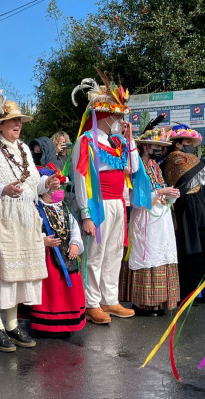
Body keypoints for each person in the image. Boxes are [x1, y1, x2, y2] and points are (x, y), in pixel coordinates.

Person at [0, 83, 58, 352]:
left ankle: (12, 325)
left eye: (19, 120)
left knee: (17, 275)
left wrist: (48, 184)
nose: (17, 124)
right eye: (12, 120)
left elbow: (32, 185)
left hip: (22, 219)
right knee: (0, 275)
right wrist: (2, 189)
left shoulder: (22, 149)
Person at [69, 75, 153, 324]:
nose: (121, 121)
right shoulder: (86, 141)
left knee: (115, 252)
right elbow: (81, 177)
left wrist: (129, 139)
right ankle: (91, 302)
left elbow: (135, 167)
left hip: (119, 202)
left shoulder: (118, 142)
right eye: (118, 117)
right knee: (96, 253)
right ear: (104, 117)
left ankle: (109, 298)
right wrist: (86, 214)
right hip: (99, 204)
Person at [163, 125, 205, 302]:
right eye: (187, 142)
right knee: (191, 246)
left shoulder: (187, 158)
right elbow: (193, 178)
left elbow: (197, 186)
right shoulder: (175, 159)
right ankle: (192, 290)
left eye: (192, 142)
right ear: (177, 144)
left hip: (197, 204)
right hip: (186, 207)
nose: (190, 145)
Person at [119, 129, 181, 316]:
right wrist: (161, 193)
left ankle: (160, 301)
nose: (158, 150)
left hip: (160, 216)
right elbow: (137, 199)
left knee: (162, 250)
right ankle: (144, 303)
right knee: (148, 251)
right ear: (145, 146)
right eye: (155, 146)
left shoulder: (155, 165)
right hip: (146, 217)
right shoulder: (137, 167)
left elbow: (159, 187)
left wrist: (170, 195)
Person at [27, 170, 86, 334]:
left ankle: (66, 323)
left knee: (68, 290)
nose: (58, 192)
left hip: (66, 253)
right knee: (51, 291)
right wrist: (42, 240)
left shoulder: (64, 208)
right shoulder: (36, 208)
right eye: (53, 190)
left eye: (58, 188)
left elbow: (74, 228)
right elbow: (29, 231)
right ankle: (46, 323)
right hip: (47, 257)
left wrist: (75, 244)